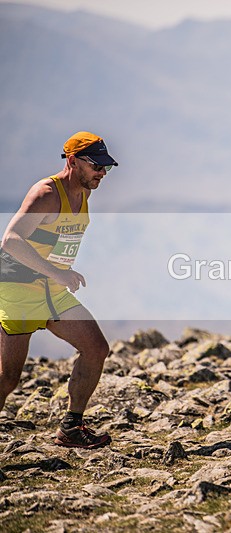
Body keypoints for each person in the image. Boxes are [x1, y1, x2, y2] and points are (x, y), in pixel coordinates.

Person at [0, 131, 118, 448]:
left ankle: (70, 428)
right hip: (20, 290)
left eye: (107, 166)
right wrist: (56, 271)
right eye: (97, 165)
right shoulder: (47, 194)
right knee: (8, 377)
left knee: (96, 348)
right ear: (72, 161)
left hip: (52, 289)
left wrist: (58, 274)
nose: (102, 173)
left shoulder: (84, 192)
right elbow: (11, 240)